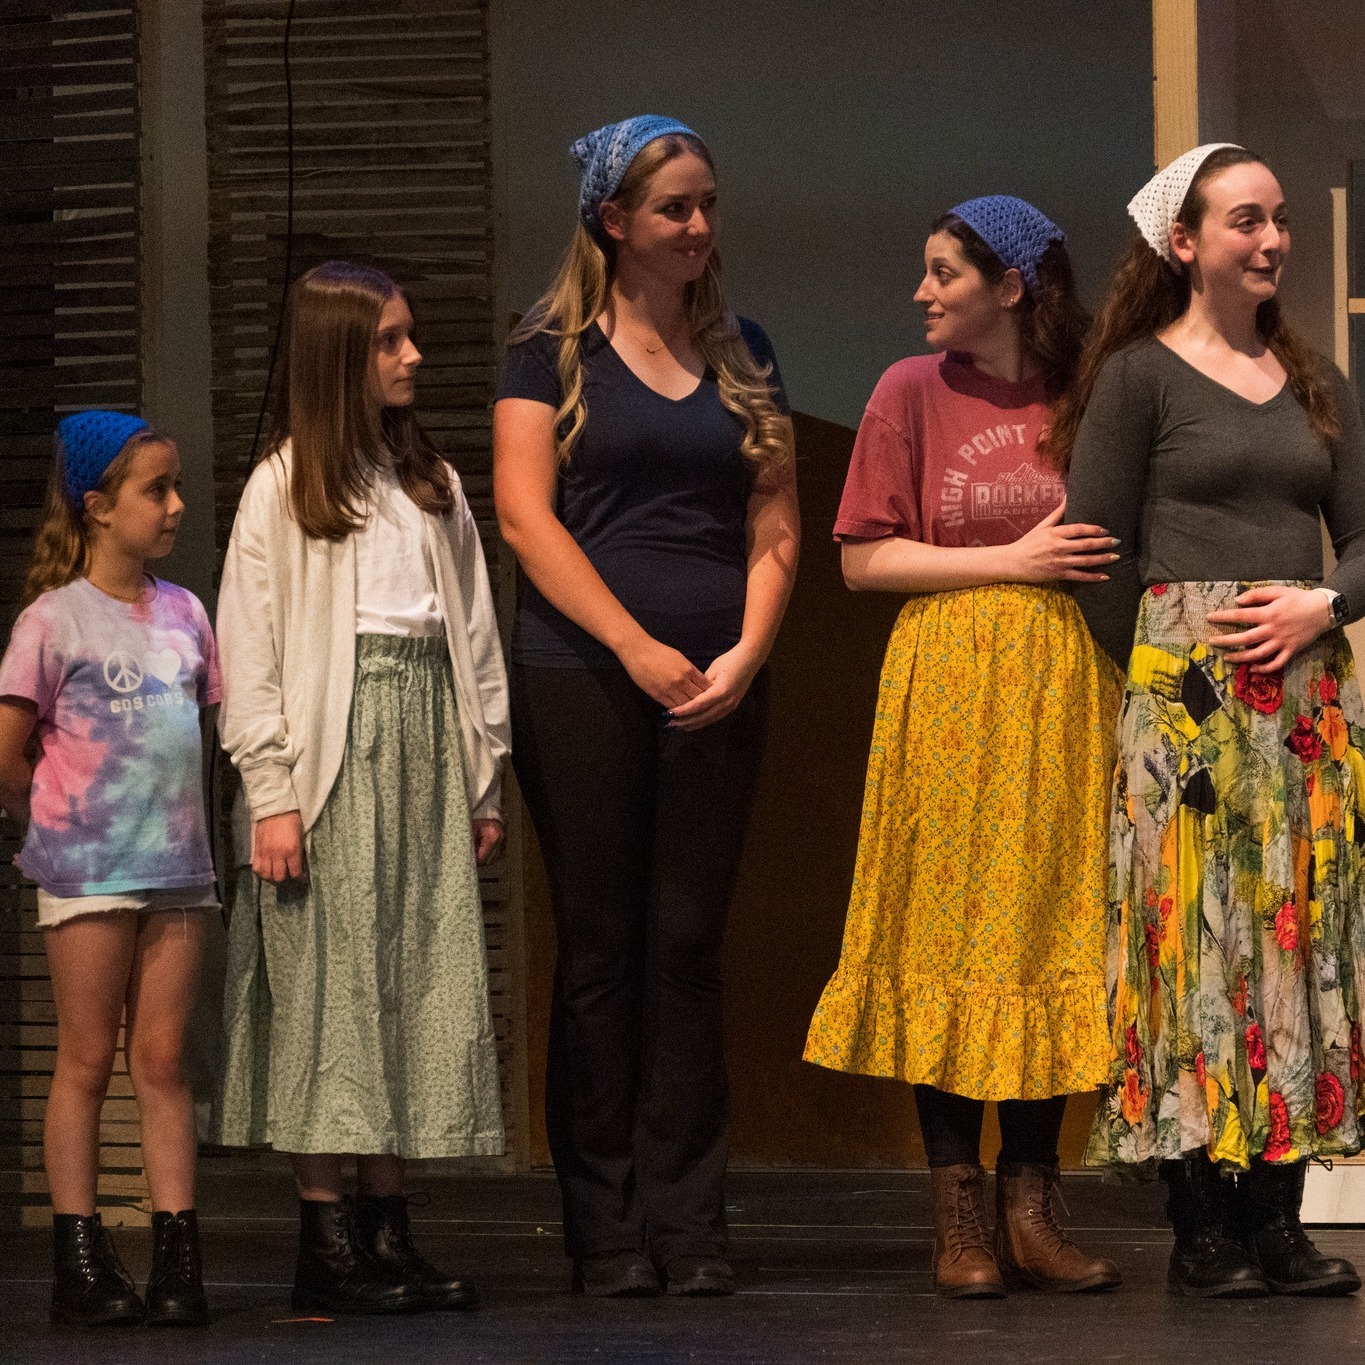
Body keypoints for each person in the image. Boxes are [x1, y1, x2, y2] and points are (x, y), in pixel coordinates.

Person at [494, 115, 799, 1297]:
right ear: (613, 220)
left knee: (685, 948)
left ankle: (689, 1222)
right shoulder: (549, 349)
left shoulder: (744, 347)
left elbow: (774, 513)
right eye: (675, 207)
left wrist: (746, 654)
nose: (699, 225)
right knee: (602, 951)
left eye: (708, 202)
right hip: (583, 676)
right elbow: (525, 517)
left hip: (718, 682)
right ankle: (606, 1226)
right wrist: (634, 648)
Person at [1054, 144, 1365, 1299]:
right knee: (1192, 947)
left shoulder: (1315, 382)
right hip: (1184, 707)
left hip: (1302, 710)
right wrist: (1165, 669)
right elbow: (1095, 553)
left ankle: (1277, 1218)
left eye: (1278, 218)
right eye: (1246, 220)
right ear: (1184, 243)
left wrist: (1321, 605)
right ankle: (1201, 1223)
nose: (1273, 239)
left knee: (1291, 940)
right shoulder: (1139, 378)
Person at [803, 197, 1124, 1298]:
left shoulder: (1089, 392)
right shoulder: (908, 390)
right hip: (947, 682)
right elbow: (861, 559)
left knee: (1045, 922)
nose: (922, 292)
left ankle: (1031, 1205)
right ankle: (958, 1209)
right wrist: (1010, 562)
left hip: (1065, 681)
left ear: (1013, 286)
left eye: (944, 272)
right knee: (944, 926)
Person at [212, 260, 509, 1314]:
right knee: (329, 991)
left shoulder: (431, 485)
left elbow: (473, 636)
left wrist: (482, 779)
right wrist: (272, 792)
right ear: (340, 356)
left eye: (410, 335)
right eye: (389, 340)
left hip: (423, 746)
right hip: (330, 763)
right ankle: (325, 1238)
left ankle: (389, 1229)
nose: (412, 355)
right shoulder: (284, 487)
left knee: (412, 979)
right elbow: (249, 653)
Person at [0, 412, 218, 1327]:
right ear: (97, 506)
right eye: (155, 490)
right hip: (90, 874)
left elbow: (197, 734)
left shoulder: (186, 612)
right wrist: (50, 827)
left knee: (163, 1058)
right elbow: (8, 753)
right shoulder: (53, 621)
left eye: (176, 487)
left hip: (177, 871)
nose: (175, 505)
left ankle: (177, 1258)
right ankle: (80, 1261)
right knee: (87, 1057)